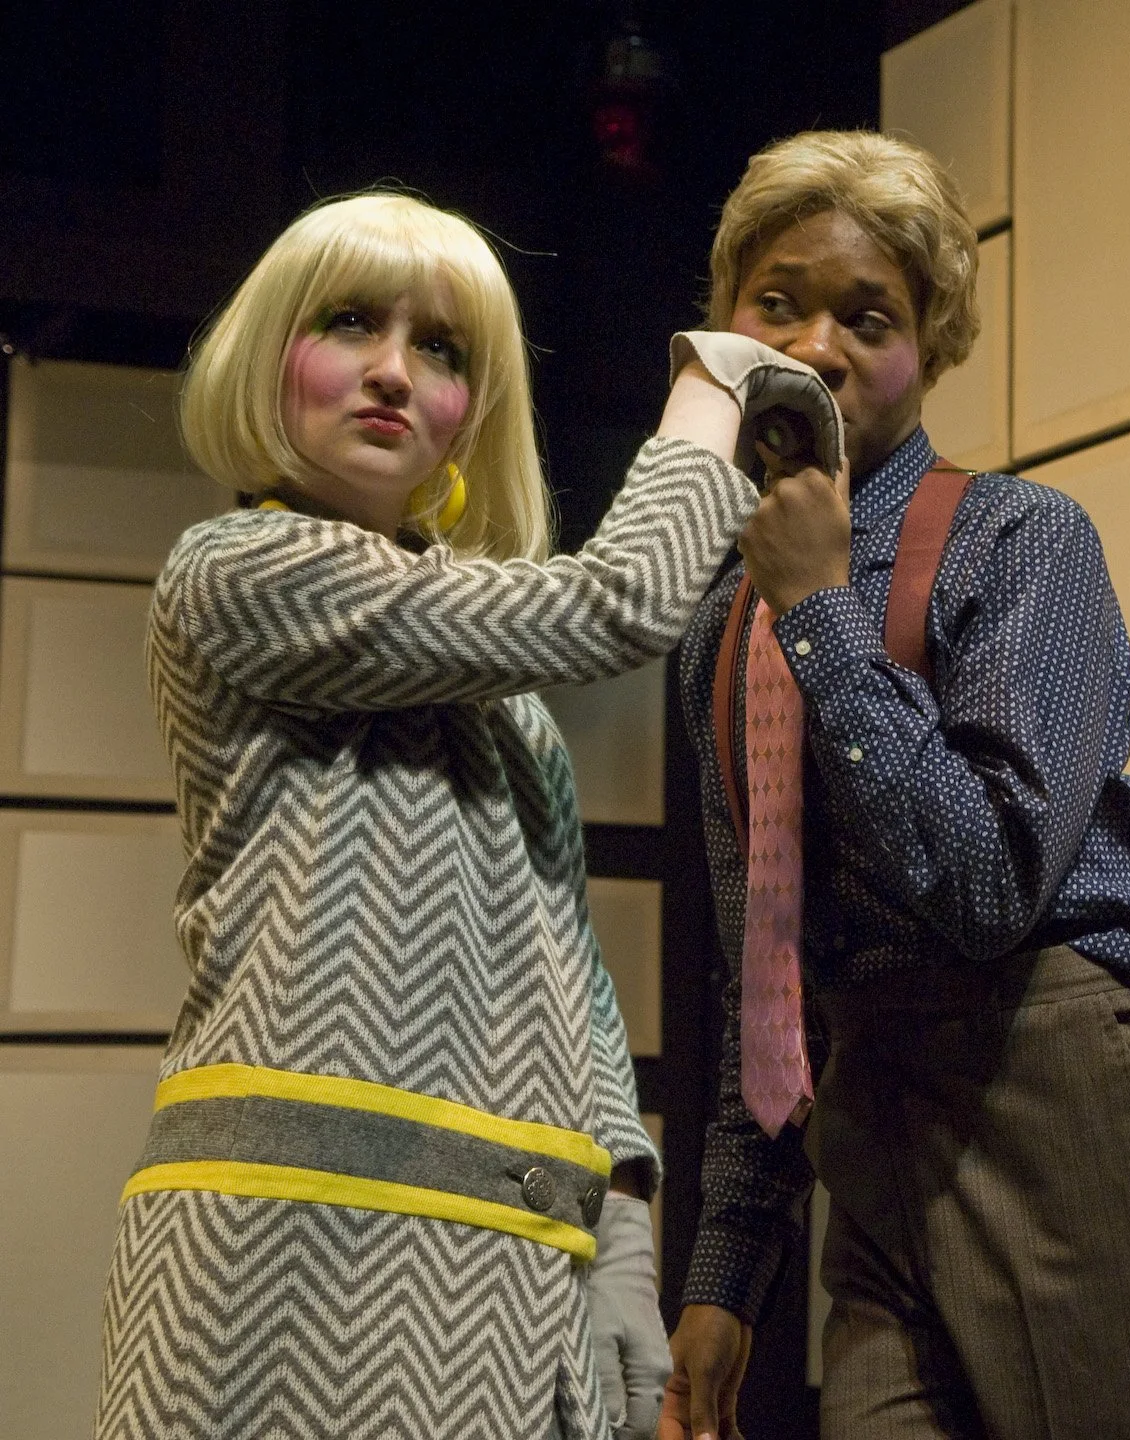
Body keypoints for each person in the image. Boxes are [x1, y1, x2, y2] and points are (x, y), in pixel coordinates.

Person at [95, 191, 840, 1440]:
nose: (392, 371)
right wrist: (716, 385)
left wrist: (617, 1244)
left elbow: (566, 974)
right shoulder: (236, 571)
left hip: (505, 1269)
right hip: (287, 1249)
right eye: (348, 324)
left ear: (469, 416)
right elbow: (618, 606)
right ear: (267, 350)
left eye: (440, 350)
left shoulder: (503, 709)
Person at [662, 130, 1130, 1440]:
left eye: (866, 316)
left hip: (1070, 1095)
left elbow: (987, 884)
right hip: (875, 1123)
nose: (816, 347)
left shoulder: (1018, 536)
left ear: (929, 348)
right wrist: (727, 1268)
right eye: (778, 303)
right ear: (723, 325)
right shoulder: (723, 621)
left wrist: (822, 611)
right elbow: (760, 963)